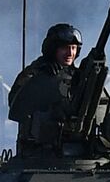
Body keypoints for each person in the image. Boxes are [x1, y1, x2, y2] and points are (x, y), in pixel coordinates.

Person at [7, 23, 82, 151]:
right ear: (53, 49)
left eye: (73, 48)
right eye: (65, 48)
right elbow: (15, 101)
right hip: (37, 150)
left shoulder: (78, 76)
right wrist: (45, 80)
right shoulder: (36, 72)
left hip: (73, 147)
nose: (70, 53)